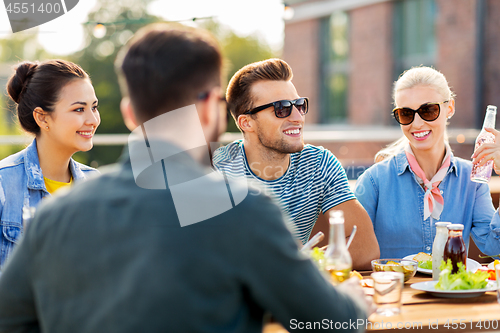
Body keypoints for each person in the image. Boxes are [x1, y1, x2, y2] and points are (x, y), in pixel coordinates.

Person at [0, 24, 373, 332]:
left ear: (130, 114)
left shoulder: (54, 215)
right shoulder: (244, 210)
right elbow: (332, 323)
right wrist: (354, 304)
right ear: (212, 106)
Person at [212, 58, 379, 269]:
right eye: (281, 109)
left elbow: (366, 249)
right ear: (246, 123)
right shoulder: (215, 170)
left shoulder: (319, 163)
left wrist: (300, 263)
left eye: (299, 105)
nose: (297, 117)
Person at [354, 66, 500, 258]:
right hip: (394, 289)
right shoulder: (374, 181)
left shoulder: (472, 181)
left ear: (450, 108)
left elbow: (494, 246)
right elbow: (353, 254)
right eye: (406, 113)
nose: (416, 124)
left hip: (449, 288)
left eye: (428, 110)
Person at [0, 59, 100, 267]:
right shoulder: (3, 183)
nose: (92, 120)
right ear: (42, 118)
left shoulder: (96, 186)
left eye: (94, 107)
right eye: (79, 109)